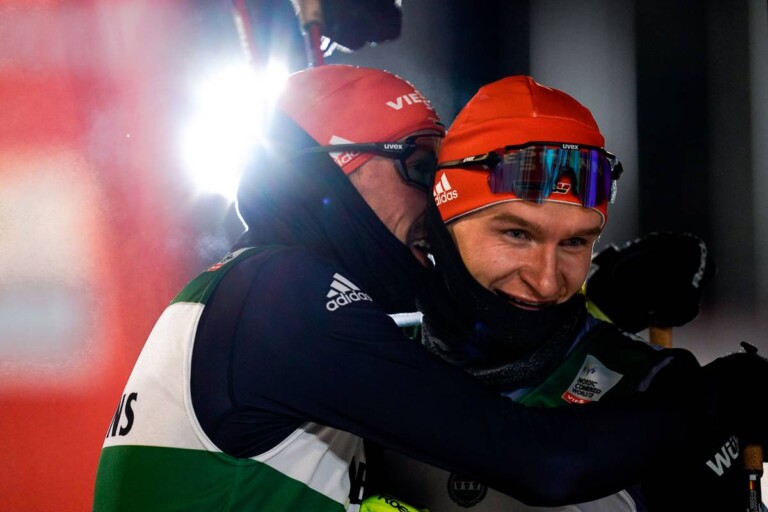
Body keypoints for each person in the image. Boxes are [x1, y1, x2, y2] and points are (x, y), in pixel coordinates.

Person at [92, 65, 767, 512]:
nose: (433, 202)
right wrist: (728, 394)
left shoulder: (254, 296)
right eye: (419, 165)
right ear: (327, 174)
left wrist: (593, 306)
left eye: (574, 242)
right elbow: (540, 460)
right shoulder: (283, 297)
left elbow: (452, 356)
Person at [366, 75, 765, 512]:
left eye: (575, 243)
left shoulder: (657, 389)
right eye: (517, 233)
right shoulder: (358, 351)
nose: (547, 281)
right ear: (442, 225)